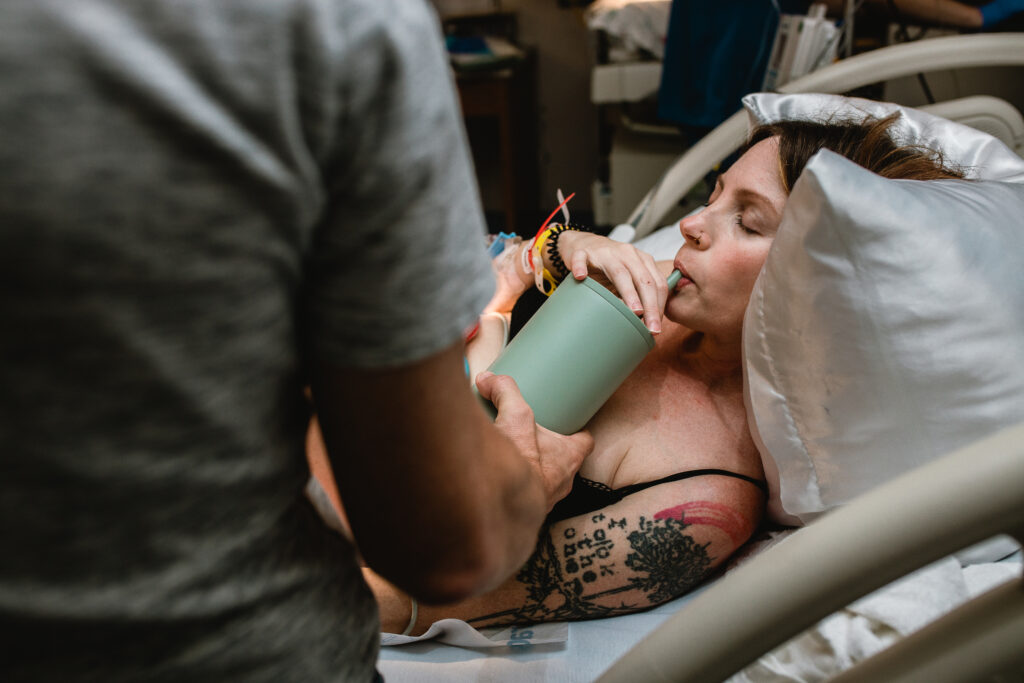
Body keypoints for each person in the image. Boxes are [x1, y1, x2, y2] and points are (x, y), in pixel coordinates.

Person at [0, 1, 590, 681]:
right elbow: (442, 536)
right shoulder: (337, 26)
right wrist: (523, 479)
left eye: (746, 218)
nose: (695, 229)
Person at [336, 112, 965, 635]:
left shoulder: (703, 504)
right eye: (713, 196)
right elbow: (502, 267)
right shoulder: (662, 292)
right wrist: (560, 249)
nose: (692, 225)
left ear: (823, 281)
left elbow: (416, 601)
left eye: (747, 220)